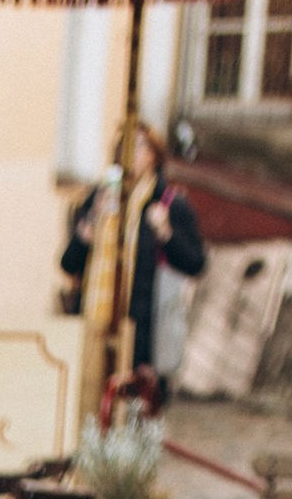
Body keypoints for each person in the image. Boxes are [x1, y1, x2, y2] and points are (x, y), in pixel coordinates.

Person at [59, 127, 204, 384]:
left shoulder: (168, 203)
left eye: (138, 146)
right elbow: (68, 264)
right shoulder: (100, 198)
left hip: (146, 335)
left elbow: (196, 263)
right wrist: (86, 233)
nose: (128, 153)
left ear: (154, 156)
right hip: (95, 329)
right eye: (123, 145)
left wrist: (166, 233)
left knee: (136, 403)